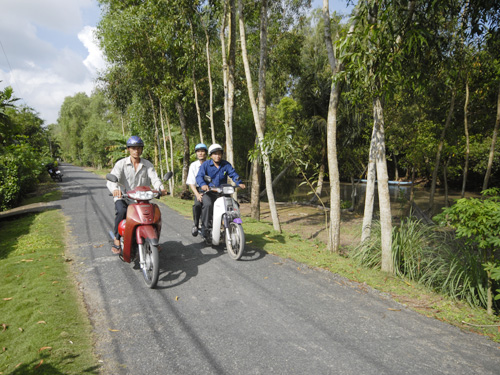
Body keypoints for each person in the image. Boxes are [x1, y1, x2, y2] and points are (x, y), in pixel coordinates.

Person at [107, 136, 168, 254]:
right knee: (121, 211)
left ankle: (153, 238)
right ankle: (117, 239)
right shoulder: (121, 164)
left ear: (142, 150)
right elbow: (111, 180)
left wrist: (160, 189)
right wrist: (115, 189)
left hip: (141, 199)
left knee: (153, 215)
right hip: (123, 197)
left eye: (139, 148)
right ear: (128, 149)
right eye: (133, 148)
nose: (136, 151)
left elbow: (155, 179)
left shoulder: (147, 164)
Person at [196, 143, 246, 240]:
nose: (217, 156)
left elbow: (233, 174)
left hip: (223, 192)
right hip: (210, 192)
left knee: (234, 205)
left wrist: (239, 182)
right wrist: (203, 185)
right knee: (208, 205)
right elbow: (199, 176)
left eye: (219, 154)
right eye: (215, 154)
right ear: (210, 155)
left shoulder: (226, 164)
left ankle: (232, 225)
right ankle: (205, 228)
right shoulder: (206, 165)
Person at [186, 143, 208, 237]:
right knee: (197, 204)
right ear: (196, 153)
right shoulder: (193, 166)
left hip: (211, 189)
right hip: (198, 189)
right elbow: (191, 182)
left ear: (206, 153)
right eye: (198, 151)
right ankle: (195, 224)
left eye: (202, 151)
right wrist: (197, 194)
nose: (200, 153)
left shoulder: (211, 164)